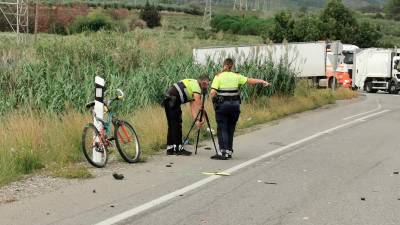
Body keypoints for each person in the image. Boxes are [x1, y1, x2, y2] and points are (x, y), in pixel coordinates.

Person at [210, 58, 270, 160]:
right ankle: (229, 151)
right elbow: (249, 80)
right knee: (231, 128)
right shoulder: (237, 76)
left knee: (222, 128)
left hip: (223, 106)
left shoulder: (218, 76)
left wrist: (214, 101)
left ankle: (223, 152)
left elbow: (212, 92)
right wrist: (262, 81)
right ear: (232, 66)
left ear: (223, 65)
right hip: (235, 106)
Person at [162, 76, 210, 155]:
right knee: (177, 124)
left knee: (172, 124)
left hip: (168, 98)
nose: (207, 87)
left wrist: (196, 121)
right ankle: (178, 148)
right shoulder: (197, 87)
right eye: (207, 84)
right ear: (203, 83)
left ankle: (170, 148)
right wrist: (203, 117)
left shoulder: (192, 85)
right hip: (174, 99)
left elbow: (193, 106)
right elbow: (198, 103)